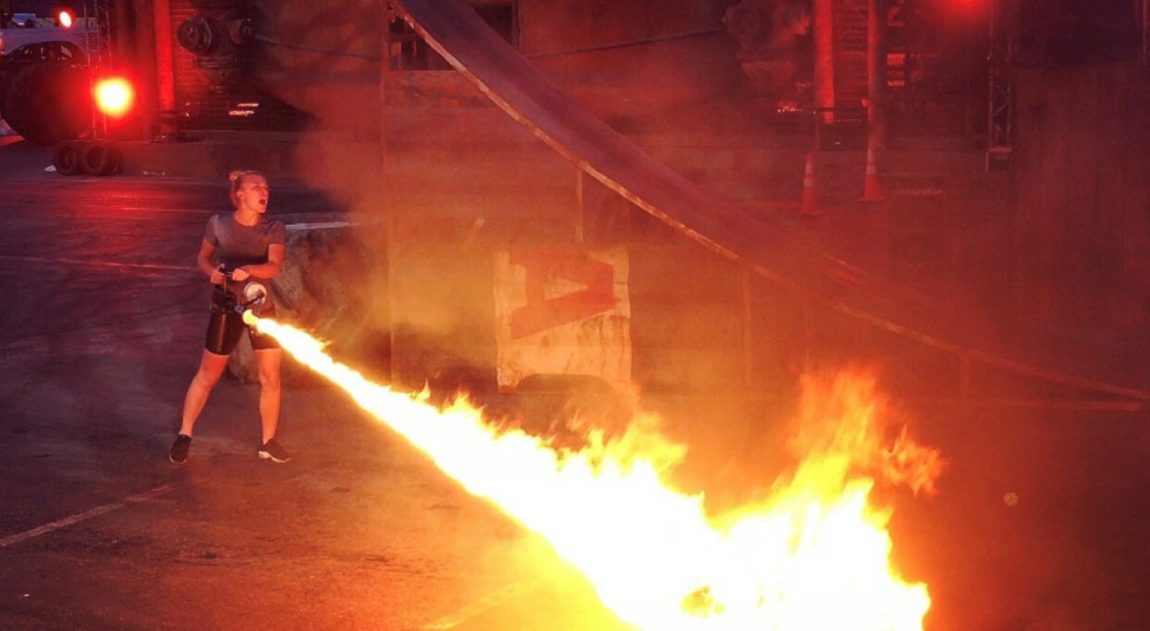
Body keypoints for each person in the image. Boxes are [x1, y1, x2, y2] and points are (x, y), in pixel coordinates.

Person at [169, 170, 291, 464]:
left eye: (266, 187)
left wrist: (249, 270)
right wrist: (211, 273)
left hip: (262, 309)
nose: (264, 192)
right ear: (239, 195)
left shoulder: (273, 228)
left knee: (270, 377)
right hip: (226, 308)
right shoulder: (218, 224)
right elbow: (203, 258)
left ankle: (268, 441)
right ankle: (185, 434)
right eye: (255, 187)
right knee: (207, 375)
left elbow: (274, 266)